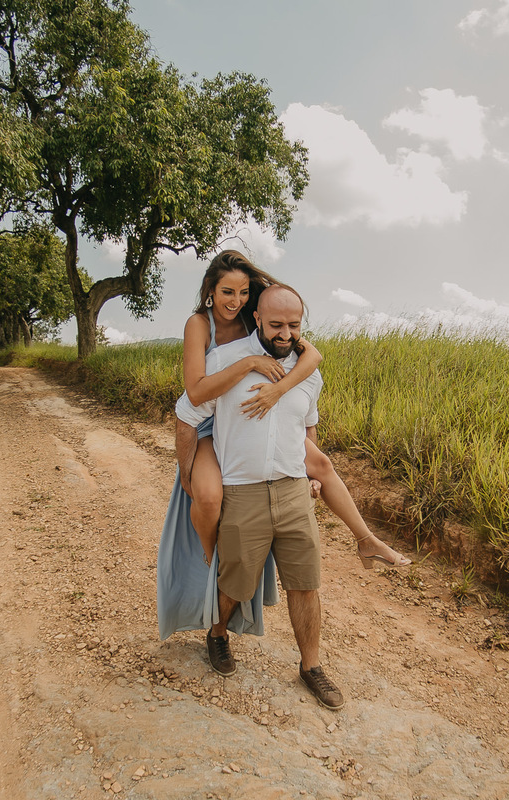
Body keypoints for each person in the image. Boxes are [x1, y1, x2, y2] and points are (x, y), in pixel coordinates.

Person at [155, 251, 408, 641]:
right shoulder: (203, 329)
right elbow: (193, 396)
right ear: (210, 291)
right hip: (211, 415)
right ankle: (211, 559)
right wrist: (185, 468)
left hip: (260, 421)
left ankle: (366, 539)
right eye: (226, 292)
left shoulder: (277, 334)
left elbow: (310, 376)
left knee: (320, 465)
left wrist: (278, 389)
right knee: (205, 495)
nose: (235, 300)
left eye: (242, 293)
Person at [176, 284, 344, 708]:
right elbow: (188, 413)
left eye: (294, 324)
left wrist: (313, 473)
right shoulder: (226, 361)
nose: (286, 333)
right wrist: (187, 471)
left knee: (305, 584)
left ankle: (311, 667)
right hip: (243, 490)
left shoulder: (309, 369)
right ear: (256, 320)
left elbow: (309, 423)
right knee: (236, 580)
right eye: (276, 325)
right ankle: (217, 634)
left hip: (291, 491)